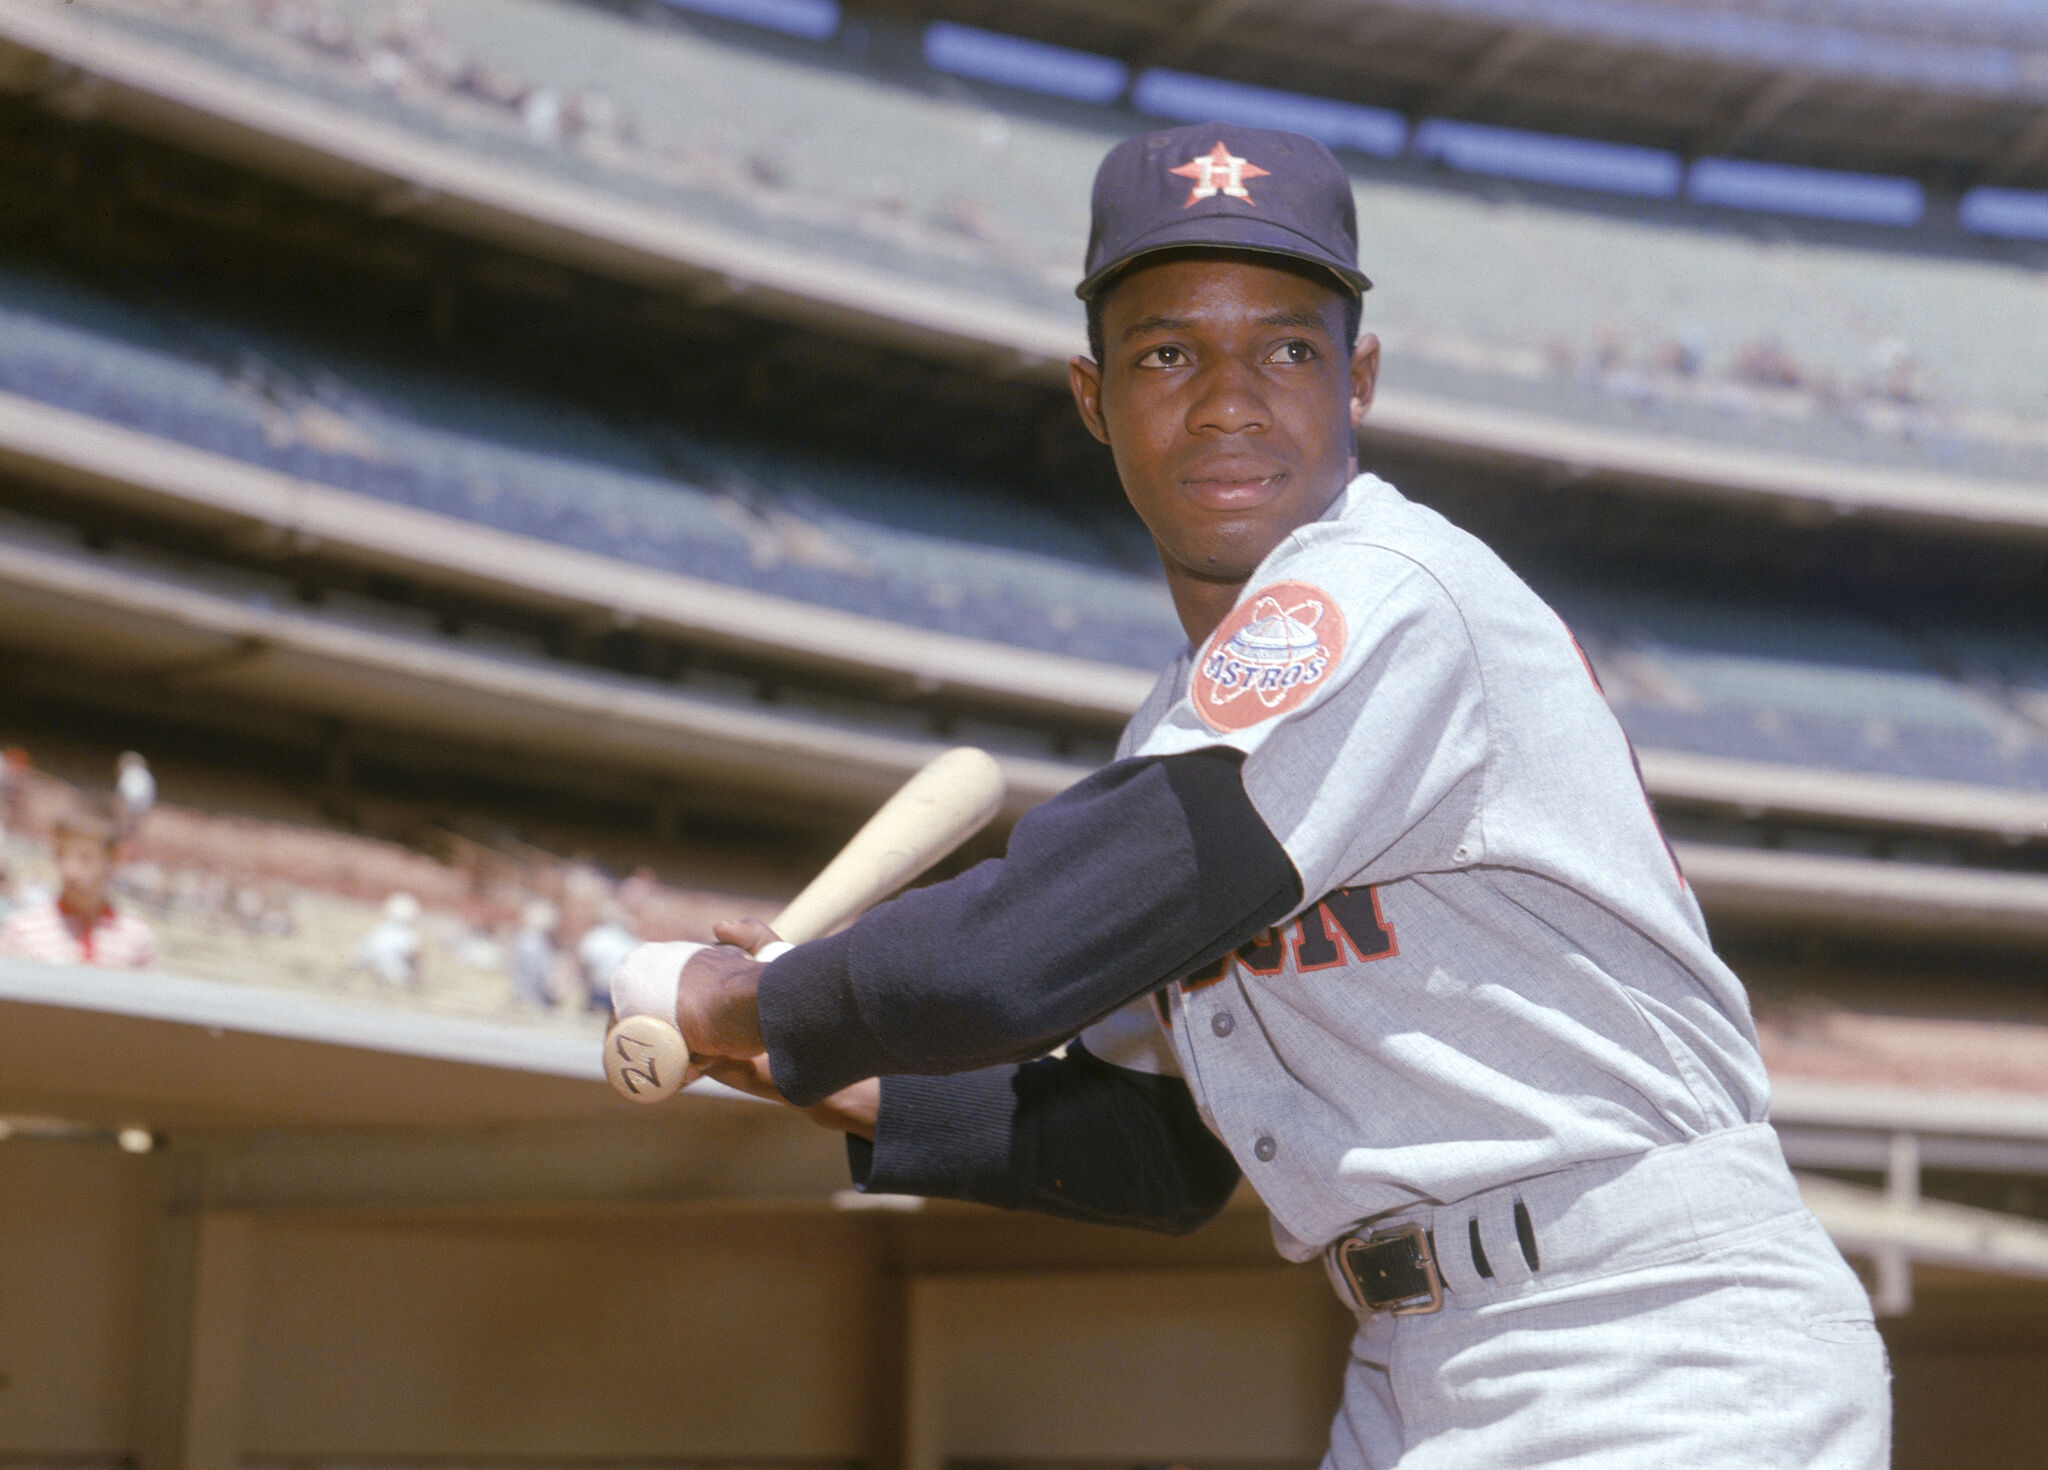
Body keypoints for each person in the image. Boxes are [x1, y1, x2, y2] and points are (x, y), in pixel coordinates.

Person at [629, 124, 1889, 1468]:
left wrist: (741, 992)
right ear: (1091, 395)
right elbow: (1164, 1150)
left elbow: (1014, 956)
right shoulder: (1181, 724)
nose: (1229, 400)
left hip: (1655, 1337)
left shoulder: (1379, 598)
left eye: (1287, 348)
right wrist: (809, 1057)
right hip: (1417, 1363)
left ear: (1361, 379)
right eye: (1168, 352)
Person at [0, 796, 156, 969]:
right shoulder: (23, 930)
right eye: (62, 855)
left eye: (85, 858)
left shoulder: (136, 937)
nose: (70, 871)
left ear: (113, 858)